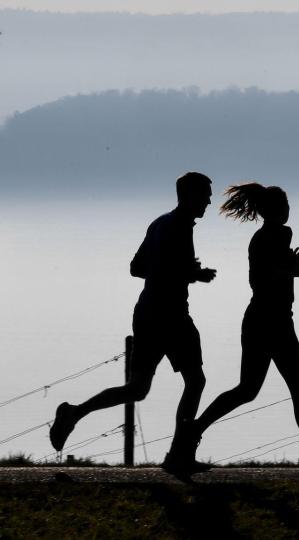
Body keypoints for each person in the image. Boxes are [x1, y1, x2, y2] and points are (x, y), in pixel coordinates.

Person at [49, 172, 217, 476]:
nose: (209, 200)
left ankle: (75, 412)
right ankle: (179, 454)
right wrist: (193, 273)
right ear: (190, 195)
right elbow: (164, 271)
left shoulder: (160, 223)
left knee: (138, 389)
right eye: (205, 194)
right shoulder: (178, 226)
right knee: (195, 382)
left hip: (147, 313)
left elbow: (136, 268)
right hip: (172, 315)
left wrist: (182, 270)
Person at [185, 182, 299, 475]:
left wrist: (289, 266)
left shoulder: (270, 237)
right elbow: (263, 277)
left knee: (248, 390)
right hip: (273, 322)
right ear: (277, 210)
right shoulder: (271, 237)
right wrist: (292, 269)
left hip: (261, 320)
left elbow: (270, 271)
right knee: (296, 389)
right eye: (286, 207)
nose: (289, 211)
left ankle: (194, 428)